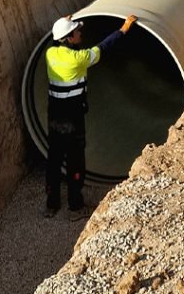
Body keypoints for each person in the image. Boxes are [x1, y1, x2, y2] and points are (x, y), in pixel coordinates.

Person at [44, 13, 136, 220]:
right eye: (76, 31)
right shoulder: (80, 59)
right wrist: (124, 29)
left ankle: (51, 205)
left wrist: (64, 23)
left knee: (54, 158)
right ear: (68, 38)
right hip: (72, 116)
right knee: (76, 160)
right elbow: (104, 46)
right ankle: (75, 208)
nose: (80, 33)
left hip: (54, 115)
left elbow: (54, 39)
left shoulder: (50, 53)